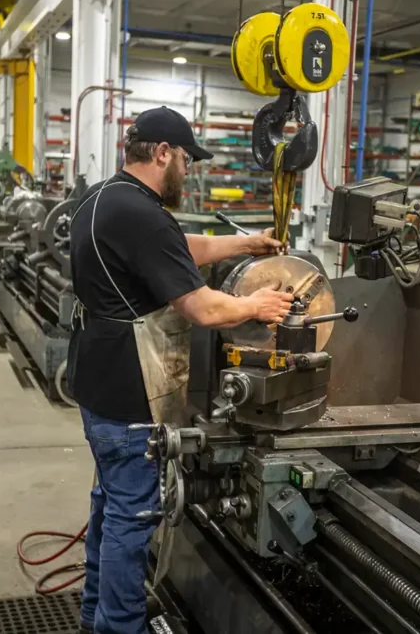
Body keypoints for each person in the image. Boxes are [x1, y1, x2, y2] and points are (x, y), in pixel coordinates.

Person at [67, 106, 294, 634]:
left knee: (109, 502)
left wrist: (247, 243)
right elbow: (204, 309)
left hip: (96, 381)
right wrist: (257, 306)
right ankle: (120, 627)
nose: (188, 172)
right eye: (187, 160)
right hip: (130, 394)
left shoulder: (105, 199)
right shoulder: (141, 213)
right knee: (132, 516)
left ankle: (95, 612)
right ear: (163, 153)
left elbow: (177, 248)